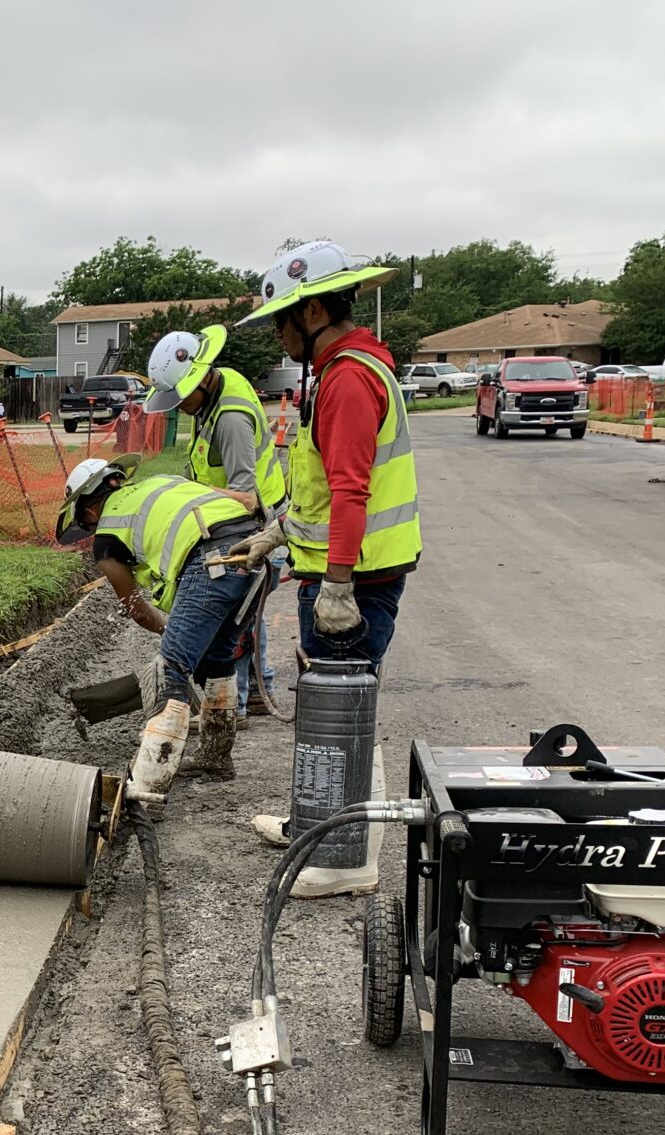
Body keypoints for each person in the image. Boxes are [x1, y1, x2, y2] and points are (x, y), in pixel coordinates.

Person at [229, 240, 423, 893]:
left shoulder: (346, 380)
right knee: (329, 711)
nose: (277, 335)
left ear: (312, 313)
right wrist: (277, 533)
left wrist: (337, 585)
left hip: (356, 583)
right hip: (347, 573)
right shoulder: (343, 369)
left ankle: (347, 860)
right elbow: (319, 492)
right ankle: (315, 826)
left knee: (344, 713)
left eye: (281, 320)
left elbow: (350, 491)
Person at [56, 455, 268, 794]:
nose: (90, 527)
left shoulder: (108, 534)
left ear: (89, 509)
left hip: (212, 561)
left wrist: (174, 633)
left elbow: (137, 609)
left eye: (85, 520)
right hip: (257, 553)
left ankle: (148, 788)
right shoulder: (162, 482)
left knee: (169, 669)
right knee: (217, 658)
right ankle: (215, 758)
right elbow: (244, 501)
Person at [142, 325, 291, 721]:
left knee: (230, 618)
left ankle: (233, 705)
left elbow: (246, 497)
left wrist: (186, 493)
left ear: (201, 380)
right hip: (247, 525)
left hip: (256, 529)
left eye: (182, 397)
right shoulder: (212, 396)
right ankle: (258, 689)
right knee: (247, 614)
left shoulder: (230, 419)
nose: (178, 406)